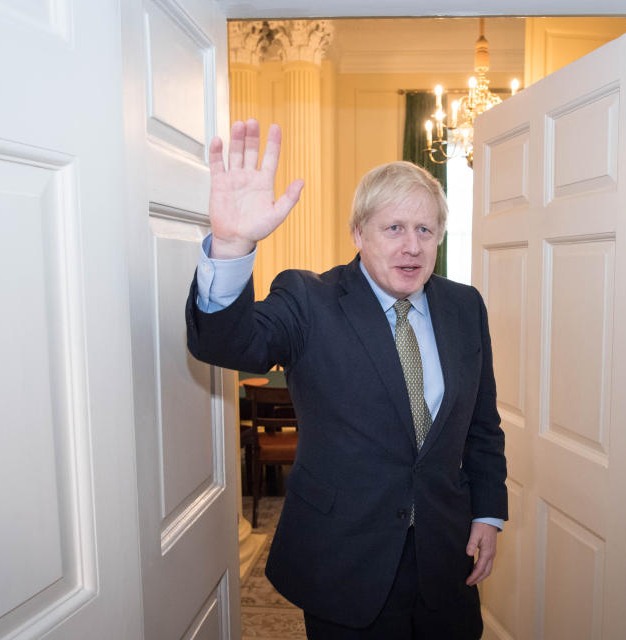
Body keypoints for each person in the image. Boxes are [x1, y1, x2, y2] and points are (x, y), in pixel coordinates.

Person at [186, 119, 508, 640]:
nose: (411, 246)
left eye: (425, 230)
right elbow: (225, 344)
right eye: (394, 228)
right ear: (358, 234)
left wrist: (489, 515)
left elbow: (482, 425)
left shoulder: (464, 307)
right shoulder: (308, 299)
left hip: (445, 556)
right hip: (346, 560)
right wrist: (231, 246)